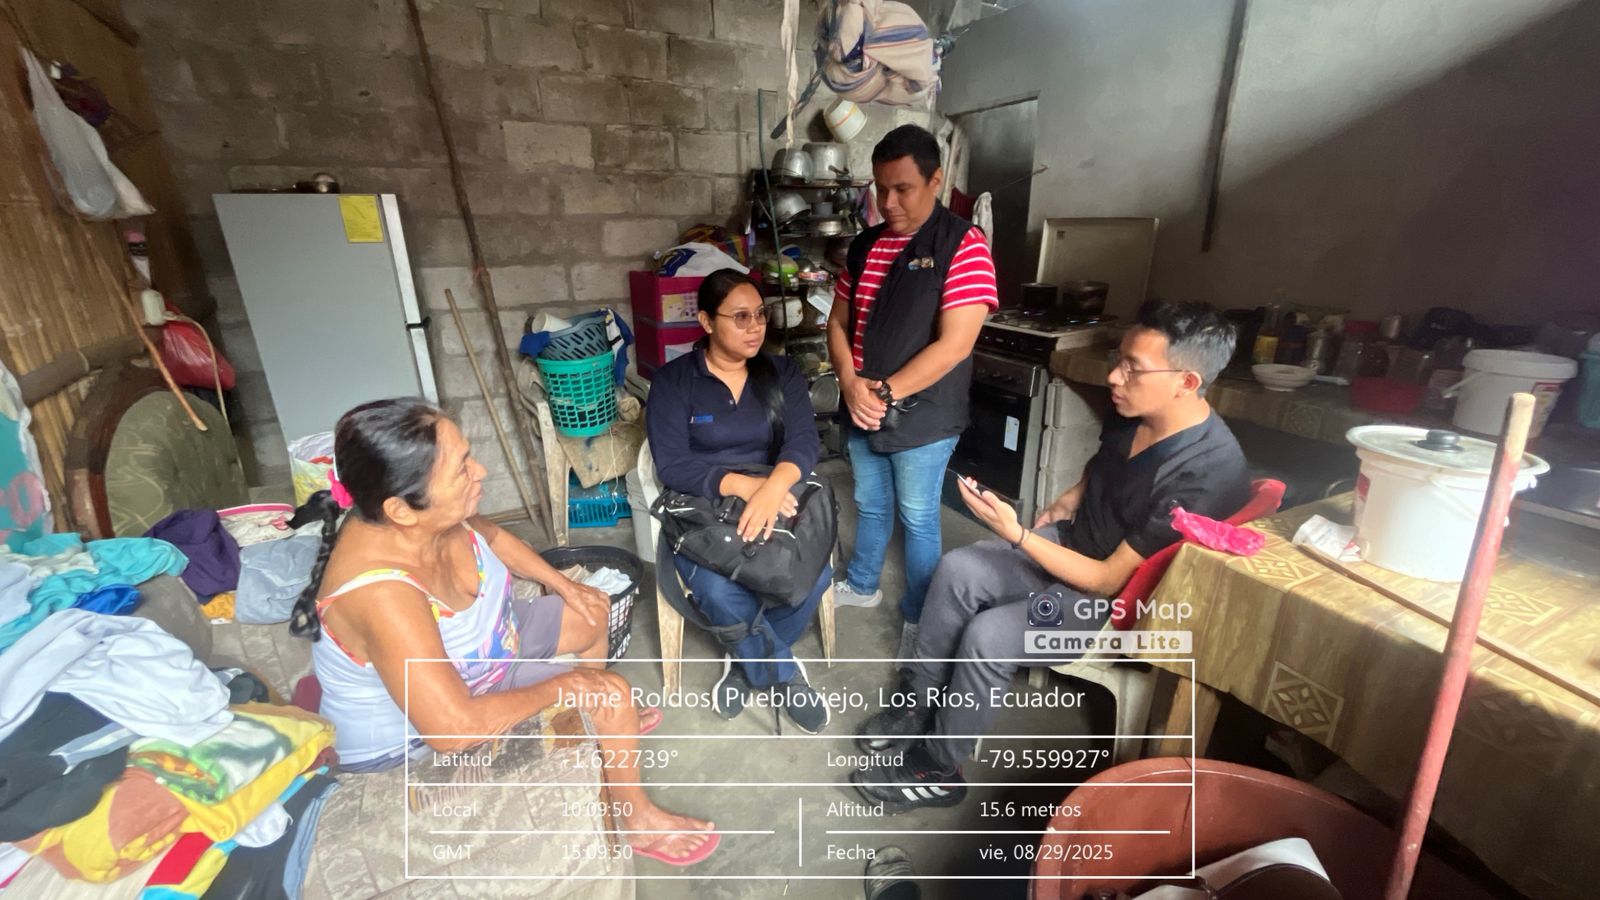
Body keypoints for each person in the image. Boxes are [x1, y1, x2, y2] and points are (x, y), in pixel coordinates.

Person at [849, 300, 1253, 813]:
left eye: (1134, 368)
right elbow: (1104, 462)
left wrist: (1018, 534)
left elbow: (1107, 580)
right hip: (1074, 544)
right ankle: (920, 703)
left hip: (1116, 605)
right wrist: (1069, 498)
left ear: (1187, 382)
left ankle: (938, 767)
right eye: (1119, 359)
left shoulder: (1206, 472)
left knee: (990, 635)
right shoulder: (1135, 408)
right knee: (956, 568)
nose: (1115, 376)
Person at [290, 398, 717, 866]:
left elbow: (492, 538)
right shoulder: (381, 596)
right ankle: (635, 818)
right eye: (462, 469)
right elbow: (451, 730)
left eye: (468, 457)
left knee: (593, 611)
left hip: (482, 655)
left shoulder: (423, 514)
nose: (481, 471)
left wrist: (563, 585)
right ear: (402, 509)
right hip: (416, 741)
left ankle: (593, 727)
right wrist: (573, 685)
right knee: (611, 695)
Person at [827, 124, 999, 658]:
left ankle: (923, 617)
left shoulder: (962, 244)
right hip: (862, 402)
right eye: (881, 189)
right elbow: (837, 322)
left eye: (903, 189)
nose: (888, 202)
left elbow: (955, 344)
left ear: (935, 181)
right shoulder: (865, 245)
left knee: (918, 515)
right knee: (870, 503)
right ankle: (862, 584)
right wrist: (849, 382)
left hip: (924, 413)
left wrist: (880, 391)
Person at [644, 269, 834, 733]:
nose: (756, 327)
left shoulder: (782, 373)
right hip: (706, 501)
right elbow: (672, 464)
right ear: (707, 322)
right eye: (741, 317)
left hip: (777, 491)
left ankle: (746, 664)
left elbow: (804, 441)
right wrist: (742, 487)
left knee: (813, 573)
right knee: (715, 590)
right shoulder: (674, 382)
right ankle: (780, 673)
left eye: (761, 315)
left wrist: (772, 488)